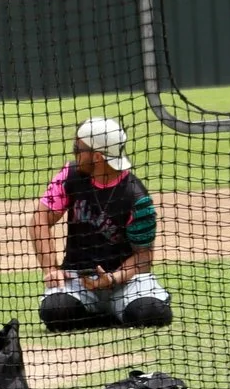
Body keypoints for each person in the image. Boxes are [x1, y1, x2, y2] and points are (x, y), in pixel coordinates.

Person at [32, 116, 172, 332]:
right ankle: (108, 313)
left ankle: (113, 309)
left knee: (151, 312)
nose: (74, 153)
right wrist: (52, 269)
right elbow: (39, 220)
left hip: (125, 282)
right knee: (55, 311)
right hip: (78, 279)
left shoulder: (136, 197)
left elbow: (143, 256)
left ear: (97, 156)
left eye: (78, 148)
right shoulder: (70, 176)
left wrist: (112, 279)